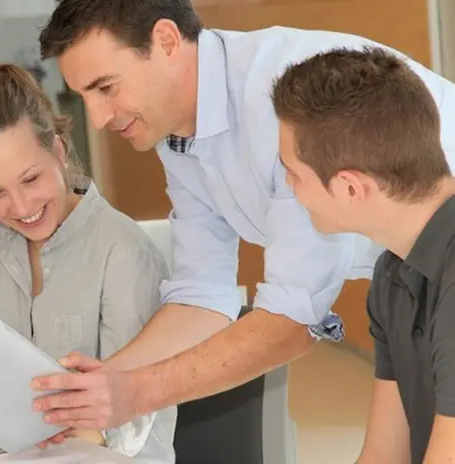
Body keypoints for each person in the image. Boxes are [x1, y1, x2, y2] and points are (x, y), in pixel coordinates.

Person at [28, 0, 455, 439]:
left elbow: (291, 322)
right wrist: (92, 393)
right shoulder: (174, 131)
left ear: (166, 41)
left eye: (106, 88)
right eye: (83, 98)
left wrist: (135, 393)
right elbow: (202, 295)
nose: (97, 119)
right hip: (405, 277)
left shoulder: (287, 107)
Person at [0, 63, 177, 462]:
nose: (22, 207)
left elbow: (125, 418)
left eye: (30, 179)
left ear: (58, 151)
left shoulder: (124, 253)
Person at [272, 48, 455, 464]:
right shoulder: (393, 271)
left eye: (294, 173)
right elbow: (384, 455)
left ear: (351, 189)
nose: (288, 185)